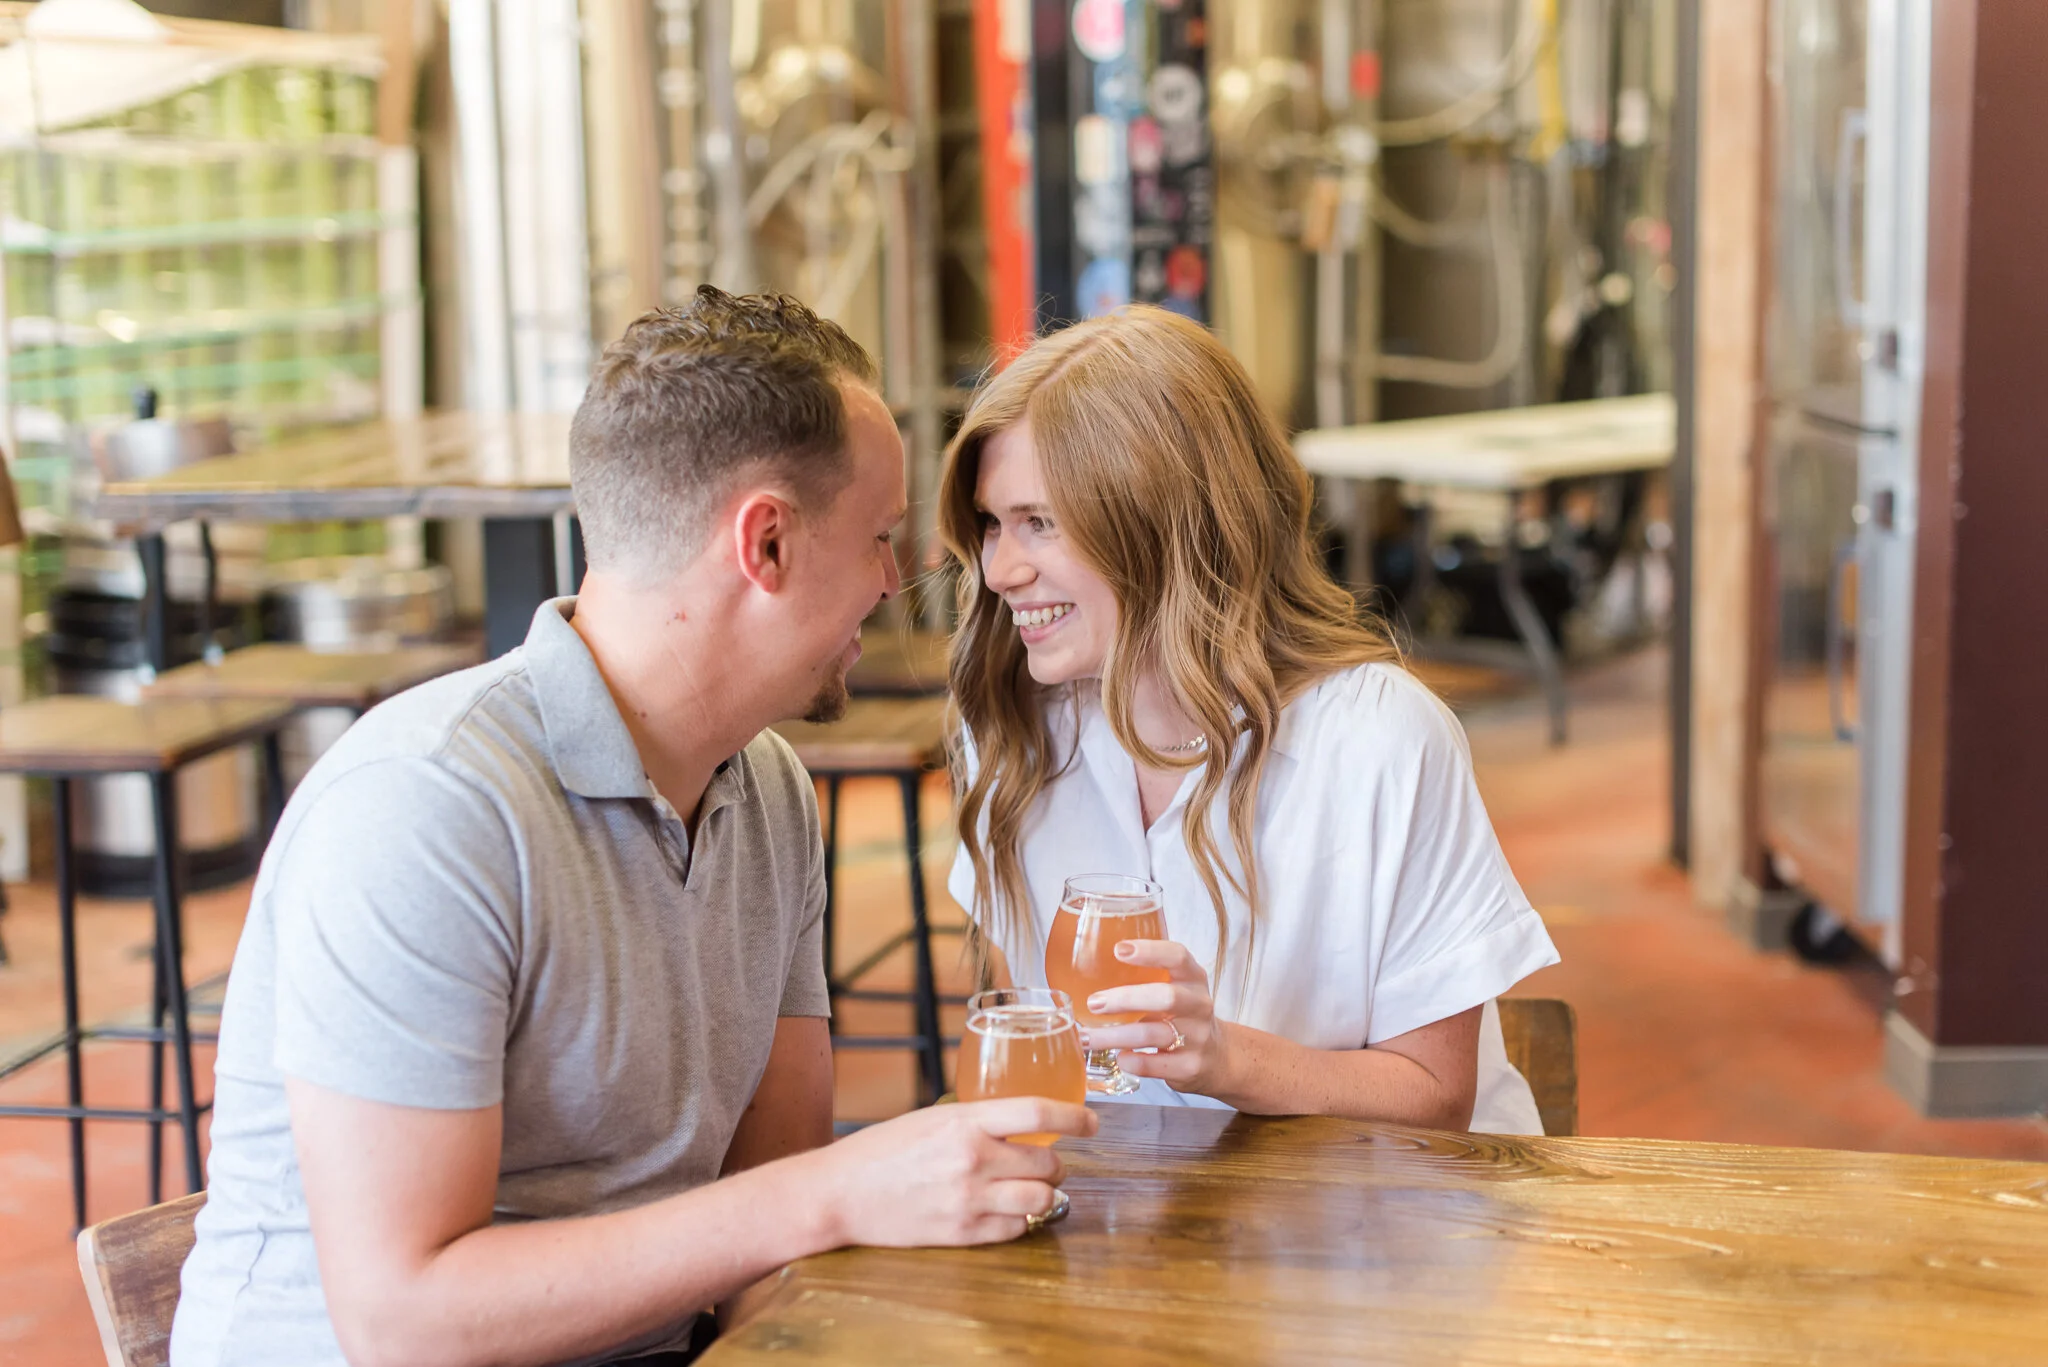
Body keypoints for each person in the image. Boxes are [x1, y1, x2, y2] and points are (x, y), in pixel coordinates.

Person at [172, 288, 1094, 1367]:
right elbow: (403, 1320)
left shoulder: (769, 792)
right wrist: (839, 1191)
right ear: (766, 542)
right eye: (879, 538)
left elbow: (765, 1226)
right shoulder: (424, 807)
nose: (893, 583)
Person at [941, 306, 1559, 1134]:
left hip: (1381, 1205)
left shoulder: (1381, 739)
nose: (998, 569)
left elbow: (1436, 1094)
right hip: (1143, 1206)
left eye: (1039, 523)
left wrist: (1226, 1059)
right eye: (991, 524)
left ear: (1163, 523)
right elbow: (1042, 1053)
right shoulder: (1015, 731)